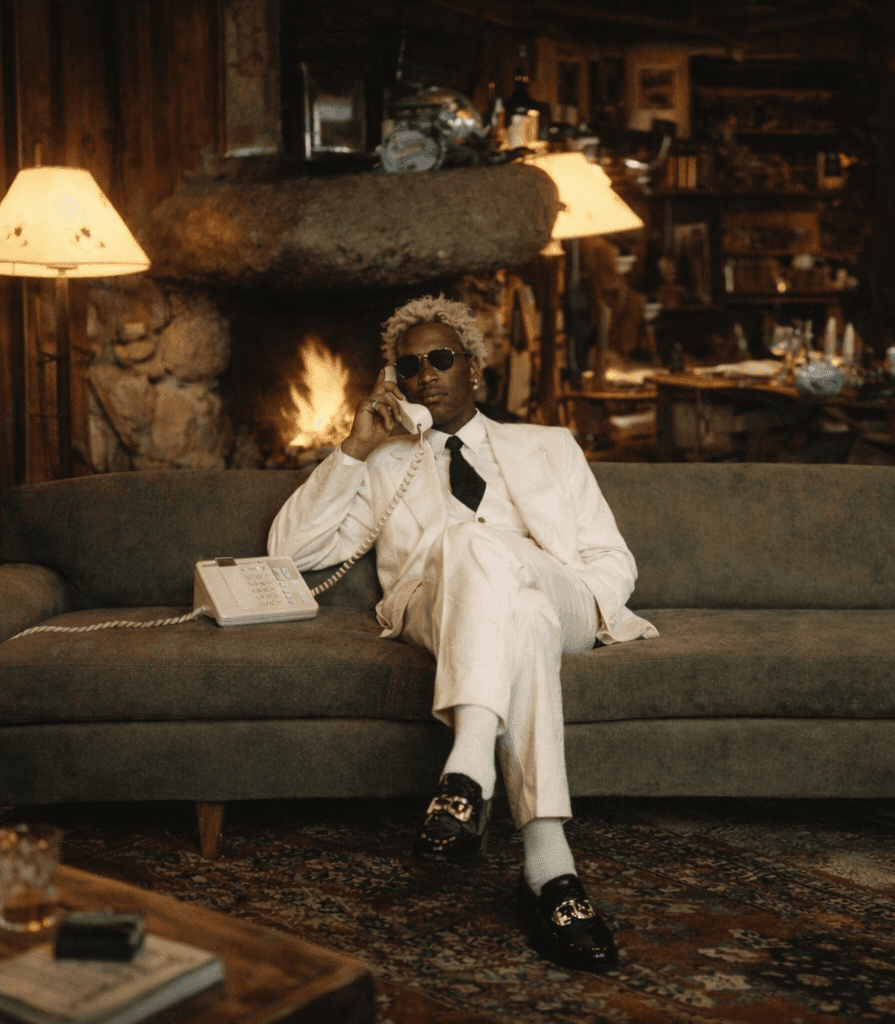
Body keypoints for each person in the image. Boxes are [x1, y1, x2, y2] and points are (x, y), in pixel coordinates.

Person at [267, 296, 657, 972]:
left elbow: (610, 557)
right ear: (395, 382)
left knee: (489, 554)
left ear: (474, 369)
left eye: (441, 359)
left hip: (558, 593)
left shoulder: (548, 446)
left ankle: (468, 771)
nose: (426, 375)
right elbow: (289, 553)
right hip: (436, 606)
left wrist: (574, 601)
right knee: (511, 604)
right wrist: (355, 447)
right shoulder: (384, 464)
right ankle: (550, 867)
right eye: (409, 366)